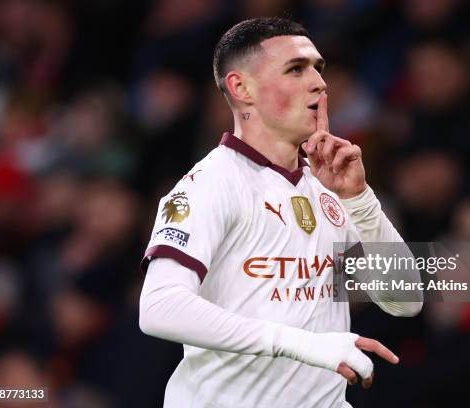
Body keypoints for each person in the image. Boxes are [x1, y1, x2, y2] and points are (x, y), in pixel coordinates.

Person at [139, 17, 423, 407]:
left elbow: (405, 299)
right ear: (241, 88)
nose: (319, 83)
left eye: (318, 69)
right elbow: (159, 307)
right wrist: (302, 344)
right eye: (296, 69)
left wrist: (359, 198)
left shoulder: (329, 185)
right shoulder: (210, 182)